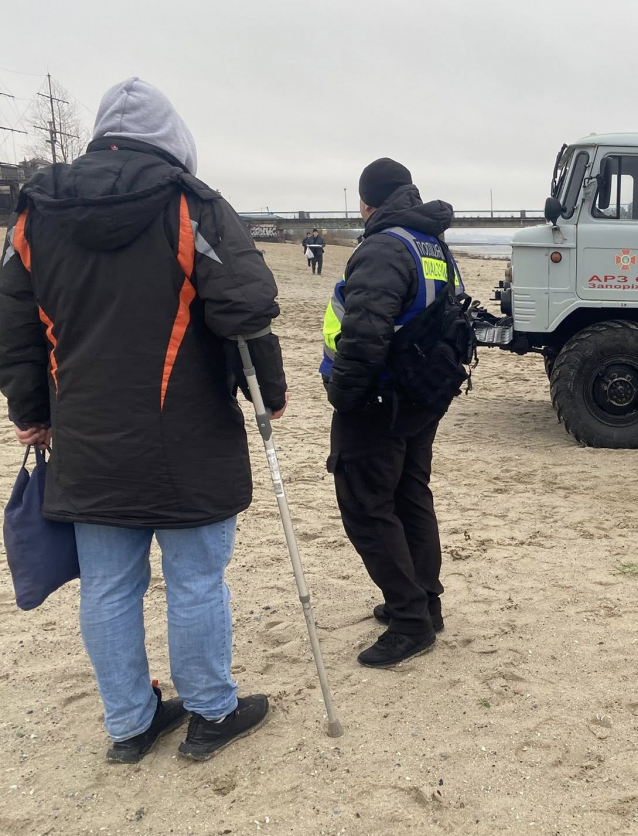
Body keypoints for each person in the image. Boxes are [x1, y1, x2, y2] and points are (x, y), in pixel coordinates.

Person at [0, 78, 288, 763]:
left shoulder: (34, 214)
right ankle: (211, 713)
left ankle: (130, 723)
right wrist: (266, 392)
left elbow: (15, 327)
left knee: (108, 584)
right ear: (174, 142)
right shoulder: (192, 205)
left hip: (89, 437)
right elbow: (245, 310)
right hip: (187, 434)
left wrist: (30, 412)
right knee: (194, 580)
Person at [320, 158, 464, 668]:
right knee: (408, 494)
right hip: (424, 395)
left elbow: (364, 334)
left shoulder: (382, 246)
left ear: (366, 203)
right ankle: (427, 601)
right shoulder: (434, 245)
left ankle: (410, 620)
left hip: (379, 398)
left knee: (365, 505)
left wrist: (345, 396)